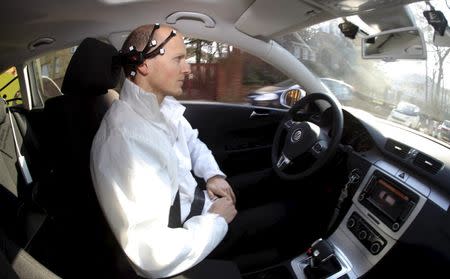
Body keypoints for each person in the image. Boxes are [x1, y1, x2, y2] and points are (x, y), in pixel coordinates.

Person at [90, 24, 288, 278]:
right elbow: (152, 253)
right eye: (178, 59)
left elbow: (193, 143)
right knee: (283, 211)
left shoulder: (161, 106)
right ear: (143, 66)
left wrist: (213, 175)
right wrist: (216, 221)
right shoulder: (124, 140)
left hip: (198, 205)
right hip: (189, 237)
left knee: (272, 180)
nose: (188, 68)